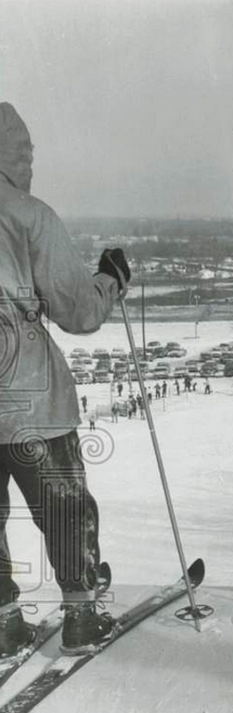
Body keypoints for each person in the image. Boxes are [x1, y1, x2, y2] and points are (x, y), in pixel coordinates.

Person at [0, 102, 130, 658]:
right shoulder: (28, 215)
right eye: (26, 154)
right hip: (31, 401)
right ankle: (80, 614)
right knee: (64, 505)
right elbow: (78, 312)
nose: (31, 164)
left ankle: (4, 622)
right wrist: (110, 281)